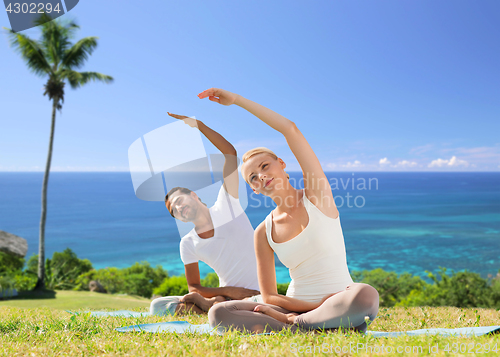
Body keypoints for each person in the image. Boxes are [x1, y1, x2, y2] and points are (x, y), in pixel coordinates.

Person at [198, 88, 380, 333]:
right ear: (254, 189)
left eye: (265, 166)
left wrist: (238, 101)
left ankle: (298, 325)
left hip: (340, 301)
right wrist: (306, 308)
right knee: (219, 312)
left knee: (365, 295)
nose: (261, 176)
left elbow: (290, 129)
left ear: (281, 164)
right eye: (253, 177)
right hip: (294, 306)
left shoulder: (317, 197)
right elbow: (270, 297)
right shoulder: (263, 232)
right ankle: (316, 324)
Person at [150, 113, 261, 316]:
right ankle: (214, 304)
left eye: (179, 201)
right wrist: (229, 291)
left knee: (235, 309)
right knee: (156, 306)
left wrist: (199, 126)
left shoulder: (228, 205)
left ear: (194, 195)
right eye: (173, 211)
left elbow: (229, 153)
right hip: (228, 296)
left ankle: (211, 306)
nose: (178, 209)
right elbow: (194, 287)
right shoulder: (188, 243)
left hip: (259, 293)